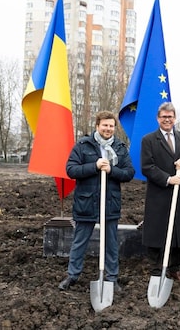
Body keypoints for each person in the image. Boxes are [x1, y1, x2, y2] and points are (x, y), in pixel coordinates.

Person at [58, 111, 135, 291]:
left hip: (110, 203)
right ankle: (72, 275)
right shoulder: (83, 146)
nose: (108, 129)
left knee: (111, 244)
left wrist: (111, 171)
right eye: (105, 125)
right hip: (86, 203)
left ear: (114, 128)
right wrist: (94, 166)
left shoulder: (120, 148)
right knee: (80, 241)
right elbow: (71, 169)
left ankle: (111, 278)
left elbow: (129, 173)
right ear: (97, 126)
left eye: (111, 126)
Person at [141, 102, 180, 282]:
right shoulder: (149, 140)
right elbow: (147, 166)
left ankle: (174, 269)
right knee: (156, 229)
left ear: (175, 118)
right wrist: (167, 179)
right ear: (158, 119)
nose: (167, 120)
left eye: (170, 117)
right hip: (159, 192)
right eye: (163, 117)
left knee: (178, 230)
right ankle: (154, 269)